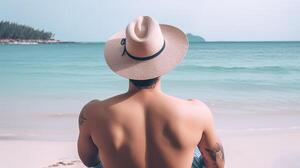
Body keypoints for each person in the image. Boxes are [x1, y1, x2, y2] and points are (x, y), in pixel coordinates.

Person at [77, 16, 225, 168]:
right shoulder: (197, 111)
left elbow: (90, 161)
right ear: (164, 60)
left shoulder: (93, 113)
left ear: (124, 61)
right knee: (197, 150)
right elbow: (217, 164)